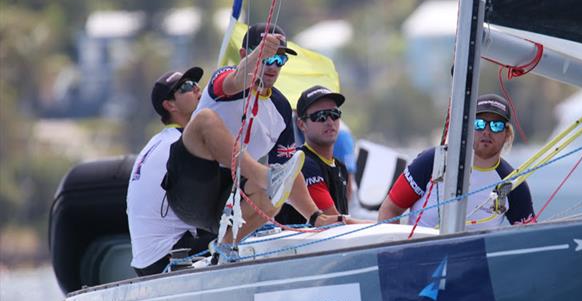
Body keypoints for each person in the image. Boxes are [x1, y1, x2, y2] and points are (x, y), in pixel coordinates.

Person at [162, 23, 338, 242]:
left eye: (279, 59)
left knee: (280, 184)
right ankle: (264, 177)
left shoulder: (281, 108)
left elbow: (289, 171)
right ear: (245, 54)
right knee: (204, 119)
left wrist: (315, 217)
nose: (272, 65)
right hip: (187, 187)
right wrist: (257, 56)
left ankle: (225, 247)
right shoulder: (226, 78)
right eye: (266, 57)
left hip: (224, 201)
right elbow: (237, 80)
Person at [378, 94, 534, 229]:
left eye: (496, 125)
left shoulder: (513, 183)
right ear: (467, 127)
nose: (487, 131)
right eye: (479, 124)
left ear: (506, 134)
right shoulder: (432, 161)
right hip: (420, 259)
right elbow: (390, 210)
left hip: (473, 262)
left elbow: (531, 238)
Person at [127, 67, 214, 276]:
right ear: (170, 105)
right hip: (169, 258)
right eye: (186, 87)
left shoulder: (160, 141)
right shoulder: (182, 144)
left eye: (195, 84)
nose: (196, 89)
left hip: (148, 261)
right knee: (252, 233)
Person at [276, 85, 360, 224]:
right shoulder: (302, 163)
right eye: (320, 116)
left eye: (334, 114)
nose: (329, 122)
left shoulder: (340, 166)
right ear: (302, 124)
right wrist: (383, 227)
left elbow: (342, 220)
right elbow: (333, 221)